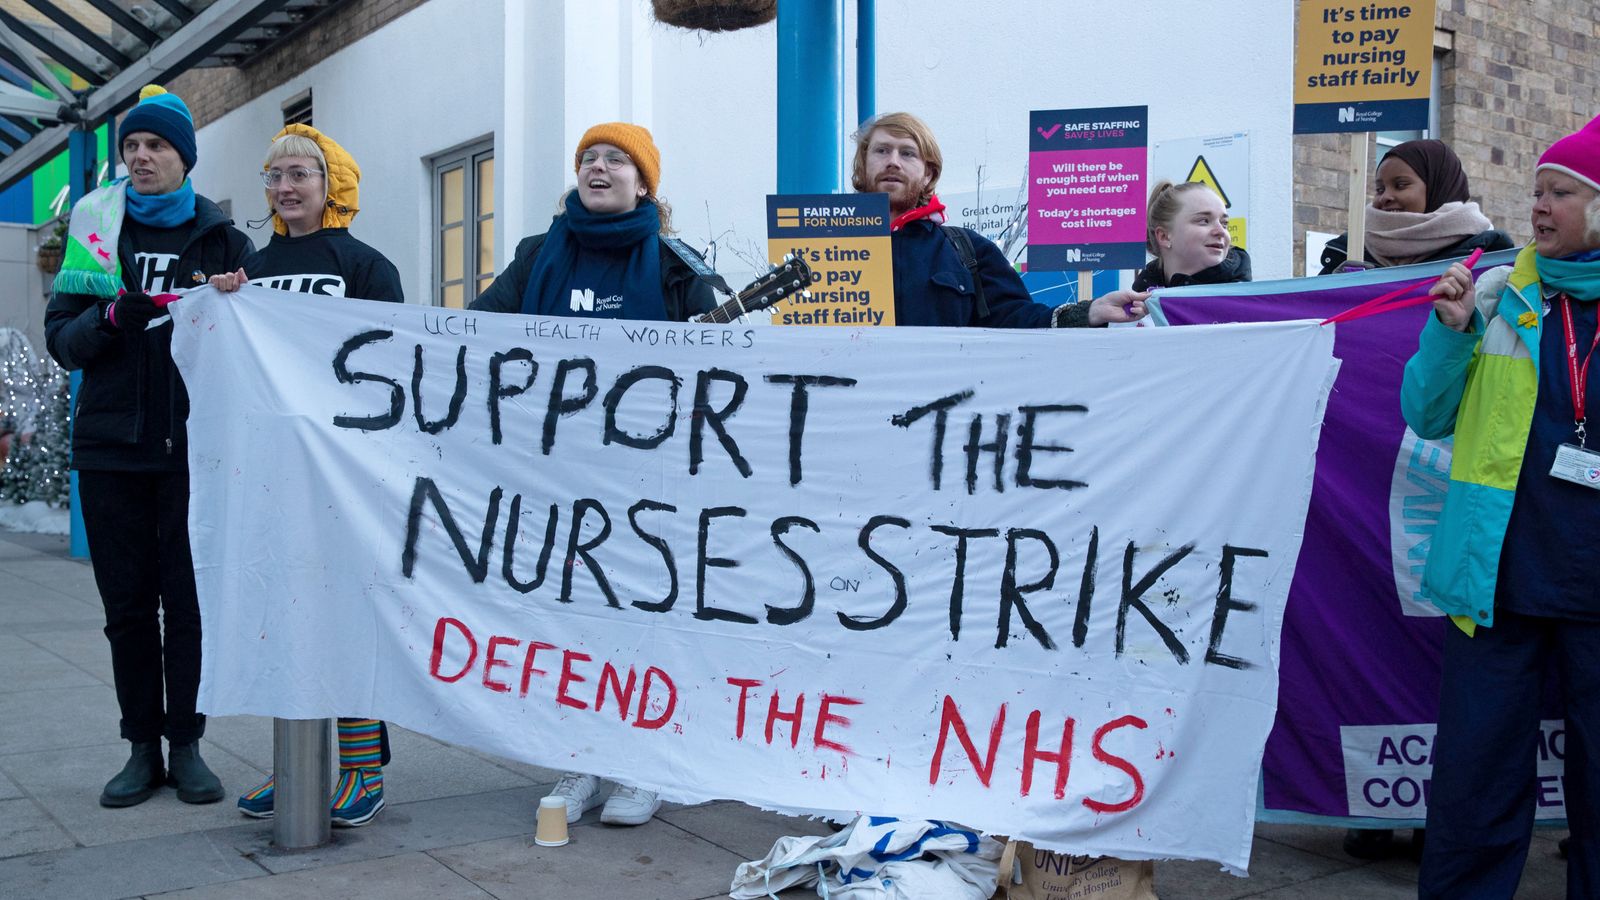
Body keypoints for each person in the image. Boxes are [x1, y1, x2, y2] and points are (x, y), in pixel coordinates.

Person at [470, 122, 717, 827]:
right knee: (570, 621)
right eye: (588, 158)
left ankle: (643, 765)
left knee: (644, 619)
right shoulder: (535, 256)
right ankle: (578, 757)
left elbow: (734, 355)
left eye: (616, 159)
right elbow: (477, 332)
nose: (599, 168)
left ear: (644, 183)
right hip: (555, 476)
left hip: (649, 482)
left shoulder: (676, 263)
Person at [1399, 112, 1600, 898]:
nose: (1539, 208)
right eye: (1536, 192)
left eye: (1560, 193)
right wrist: (1448, 332)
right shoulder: (1491, 290)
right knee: (1476, 783)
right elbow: (1425, 413)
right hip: (1498, 581)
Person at [43, 85, 254, 808]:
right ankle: (141, 747)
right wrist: (106, 317)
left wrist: (233, 303)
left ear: (184, 158)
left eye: (155, 146)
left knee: (188, 606)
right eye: (132, 146)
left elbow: (253, 345)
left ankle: (188, 744)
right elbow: (61, 343)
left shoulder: (222, 238)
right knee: (127, 608)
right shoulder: (95, 230)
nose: (140, 157)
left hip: (195, 453)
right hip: (109, 452)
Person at [208, 124, 403, 827]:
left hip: (347, 471)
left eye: (300, 174)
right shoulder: (248, 268)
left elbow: (392, 366)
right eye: (274, 176)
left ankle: (360, 768)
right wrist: (223, 303)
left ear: (330, 185)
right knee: (281, 616)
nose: (286, 187)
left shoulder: (367, 264)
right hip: (270, 474)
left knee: (348, 615)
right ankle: (294, 765)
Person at [849, 111, 1148, 328]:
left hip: (938, 411)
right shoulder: (825, 246)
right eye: (882, 150)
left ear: (928, 173)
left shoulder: (966, 250)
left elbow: (1018, 319)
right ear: (863, 165)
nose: (893, 161)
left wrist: (1090, 312)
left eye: (908, 154)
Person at [1319, 138, 1513, 275]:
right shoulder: (1348, 251)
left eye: (1401, 185)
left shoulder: (1489, 257)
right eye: (1379, 189)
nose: (1385, 197)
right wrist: (1331, 289)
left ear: (1439, 187)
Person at [1131, 180, 1251, 290]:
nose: (1221, 231)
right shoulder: (1138, 306)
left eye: (1224, 223)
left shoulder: (1246, 304)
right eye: (1204, 221)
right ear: (1164, 236)